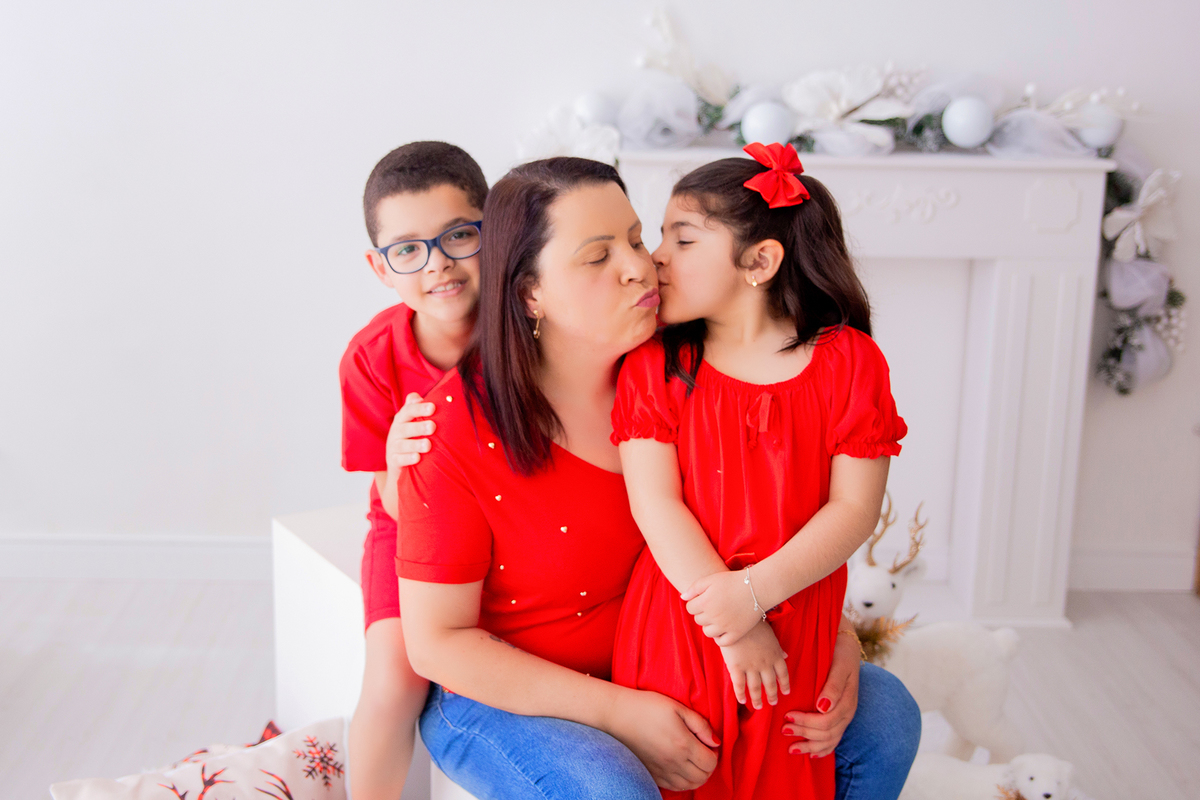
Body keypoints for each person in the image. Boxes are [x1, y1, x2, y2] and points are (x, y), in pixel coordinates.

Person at [394, 156, 921, 800]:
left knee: (885, 714)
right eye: (597, 256)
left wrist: (832, 632)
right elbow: (438, 644)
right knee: (612, 788)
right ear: (531, 293)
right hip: (511, 694)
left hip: (692, 653)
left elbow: (776, 509)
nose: (641, 267)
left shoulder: (685, 353)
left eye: (637, 239)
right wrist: (619, 713)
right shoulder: (447, 432)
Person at [609, 142, 907, 800]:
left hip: (796, 625)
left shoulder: (851, 363)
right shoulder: (655, 365)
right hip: (687, 619)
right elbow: (655, 504)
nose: (655, 256)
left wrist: (754, 596)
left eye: (682, 239)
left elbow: (854, 509)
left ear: (760, 262)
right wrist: (735, 620)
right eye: (660, 235)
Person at [338, 140, 486, 800]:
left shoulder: (531, 325)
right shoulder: (372, 357)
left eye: (459, 236)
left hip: (513, 522)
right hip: (411, 529)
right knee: (395, 681)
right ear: (380, 267)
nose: (438, 264)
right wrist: (400, 460)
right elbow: (393, 503)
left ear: (493, 231)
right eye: (407, 250)